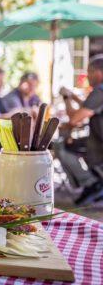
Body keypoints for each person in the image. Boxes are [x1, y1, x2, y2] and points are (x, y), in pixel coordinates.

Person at [62, 56, 103, 205]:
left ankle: (91, 182)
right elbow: (89, 108)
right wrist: (73, 97)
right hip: (97, 139)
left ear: (98, 72)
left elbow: (74, 118)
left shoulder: (99, 91)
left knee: (60, 146)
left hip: (98, 145)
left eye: (89, 72)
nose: (87, 77)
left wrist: (66, 98)